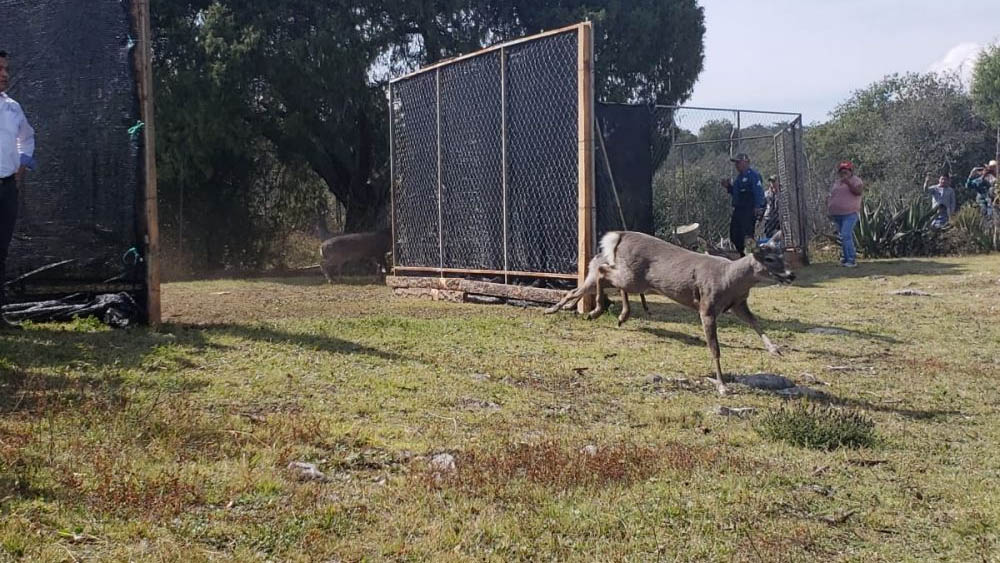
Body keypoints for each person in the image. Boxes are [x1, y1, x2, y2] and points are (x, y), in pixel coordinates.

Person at [0, 50, 36, 329]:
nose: (4, 74)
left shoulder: (13, 107)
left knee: (1, 251)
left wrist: (23, 164)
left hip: (6, 189)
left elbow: (27, 137)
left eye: (6, 69)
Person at [720, 153, 765, 256]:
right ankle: (743, 254)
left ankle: (754, 256)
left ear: (745, 162)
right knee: (735, 234)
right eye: (736, 163)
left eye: (738, 162)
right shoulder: (739, 178)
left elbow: (758, 192)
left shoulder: (753, 175)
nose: (736, 165)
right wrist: (728, 187)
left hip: (748, 209)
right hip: (739, 209)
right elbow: (737, 193)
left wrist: (758, 207)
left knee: (747, 235)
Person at [827, 161, 863, 267]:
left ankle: (851, 260)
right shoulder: (837, 183)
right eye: (841, 171)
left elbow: (858, 192)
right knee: (842, 236)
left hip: (850, 213)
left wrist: (848, 183)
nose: (843, 173)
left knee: (846, 234)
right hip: (837, 214)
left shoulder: (856, 181)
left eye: (846, 171)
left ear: (850, 171)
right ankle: (845, 258)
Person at [762, 174, 781, 239]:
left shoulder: (782, 193)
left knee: (780, 236)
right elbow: (763, 205)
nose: (772, 183)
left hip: (779, 218)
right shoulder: (766, 194)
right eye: (771, 181)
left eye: (774, 181)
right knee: (768, 236)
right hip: (769, 218)